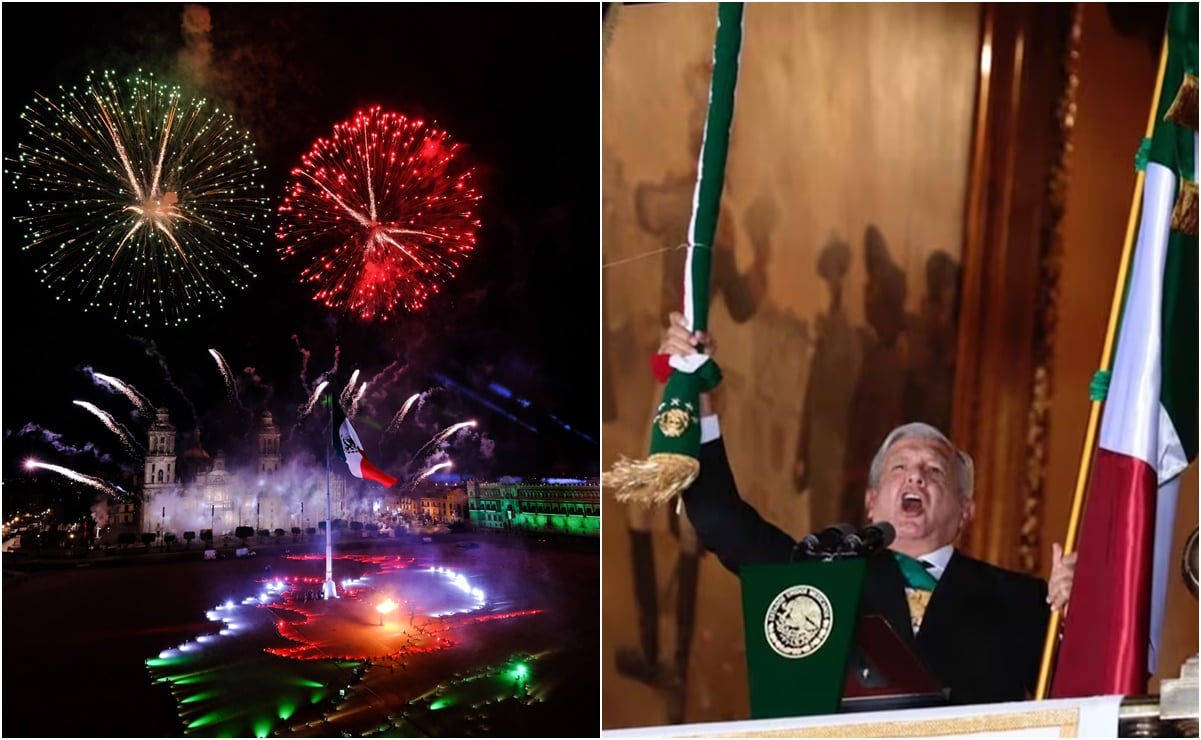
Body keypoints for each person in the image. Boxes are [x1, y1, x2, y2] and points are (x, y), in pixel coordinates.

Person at [659, 311, 1076, 706]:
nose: (916, 478)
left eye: (934, 470)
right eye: (900, 468)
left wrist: (1078, 617)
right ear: (871, 501)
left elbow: (1086, 691)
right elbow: (720, 519)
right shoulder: (825, 575)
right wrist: (694, 398)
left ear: (965, 511)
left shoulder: (1024, 601)